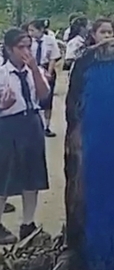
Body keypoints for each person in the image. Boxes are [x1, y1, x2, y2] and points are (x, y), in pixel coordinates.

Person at [0, 28, 52, 244]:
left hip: (32, 122)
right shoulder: (2, 73)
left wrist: (35, 70)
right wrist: (3, 105)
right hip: (8, 124)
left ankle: (27, 223)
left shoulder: (34, 70)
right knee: (4, 176)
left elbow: (44, 96)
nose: (25, 51)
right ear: (9, 49)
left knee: (32, 175)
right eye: (20, 47)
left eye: (28, 47)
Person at [27, 20, 61, 138]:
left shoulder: (50, 40)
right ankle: (35, 125)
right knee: (33, 97)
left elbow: (53, 57)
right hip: (32, 69)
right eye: (29, 30)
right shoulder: (28, 42)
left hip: (46, 68)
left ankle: (46, 126)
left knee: (47, 100)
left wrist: (49, 72)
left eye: (33, 30)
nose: (30, 33)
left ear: (41, 30)